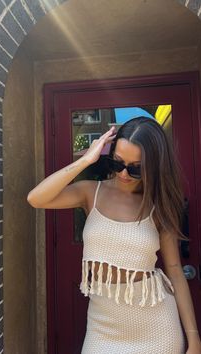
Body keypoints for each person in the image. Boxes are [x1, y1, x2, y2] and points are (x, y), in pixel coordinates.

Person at [27, 117, 201, 354]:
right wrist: (86, 160)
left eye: (135, 167)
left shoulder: (158, 204)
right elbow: (36, 198)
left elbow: (174, 270)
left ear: (154, 165)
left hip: (156, 324)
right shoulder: (91, 192)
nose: (124, 174)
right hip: (102, 324)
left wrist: (193, 338)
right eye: (118, 163)